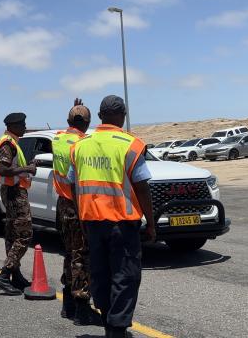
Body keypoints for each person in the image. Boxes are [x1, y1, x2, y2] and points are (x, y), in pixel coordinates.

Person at [69, 95, 156, 338]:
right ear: (122, 115)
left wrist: (82, 218)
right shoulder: (130, 144)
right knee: (125, 275)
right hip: (122, 223)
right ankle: (116, 329)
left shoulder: (80, 146)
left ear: (99, 116)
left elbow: (74, 187)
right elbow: (141, 187)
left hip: (93, 223)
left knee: (100, 273)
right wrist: (150, 222)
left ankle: (108, 320)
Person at [52, 99, 101, 325]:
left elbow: (72, 124)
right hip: (78, 204)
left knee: (70, 253)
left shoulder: (58, 138)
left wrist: (74, 109)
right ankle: (82, 307)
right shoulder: (83, 143)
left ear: (69, 120)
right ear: (88, 122)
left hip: (62, 204)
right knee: (82, 255)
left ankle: (68, 306)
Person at [0, 112, 37, 295]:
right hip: (14, 192)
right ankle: (4, 276)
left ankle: (15, 275)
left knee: (12, 234)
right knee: (25, 234)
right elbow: (4, 169)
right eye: (22, 124)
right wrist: (28, 168)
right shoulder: (7, 144)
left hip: (13, 191)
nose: (25, 127)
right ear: (14, 126)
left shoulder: (12, 142)